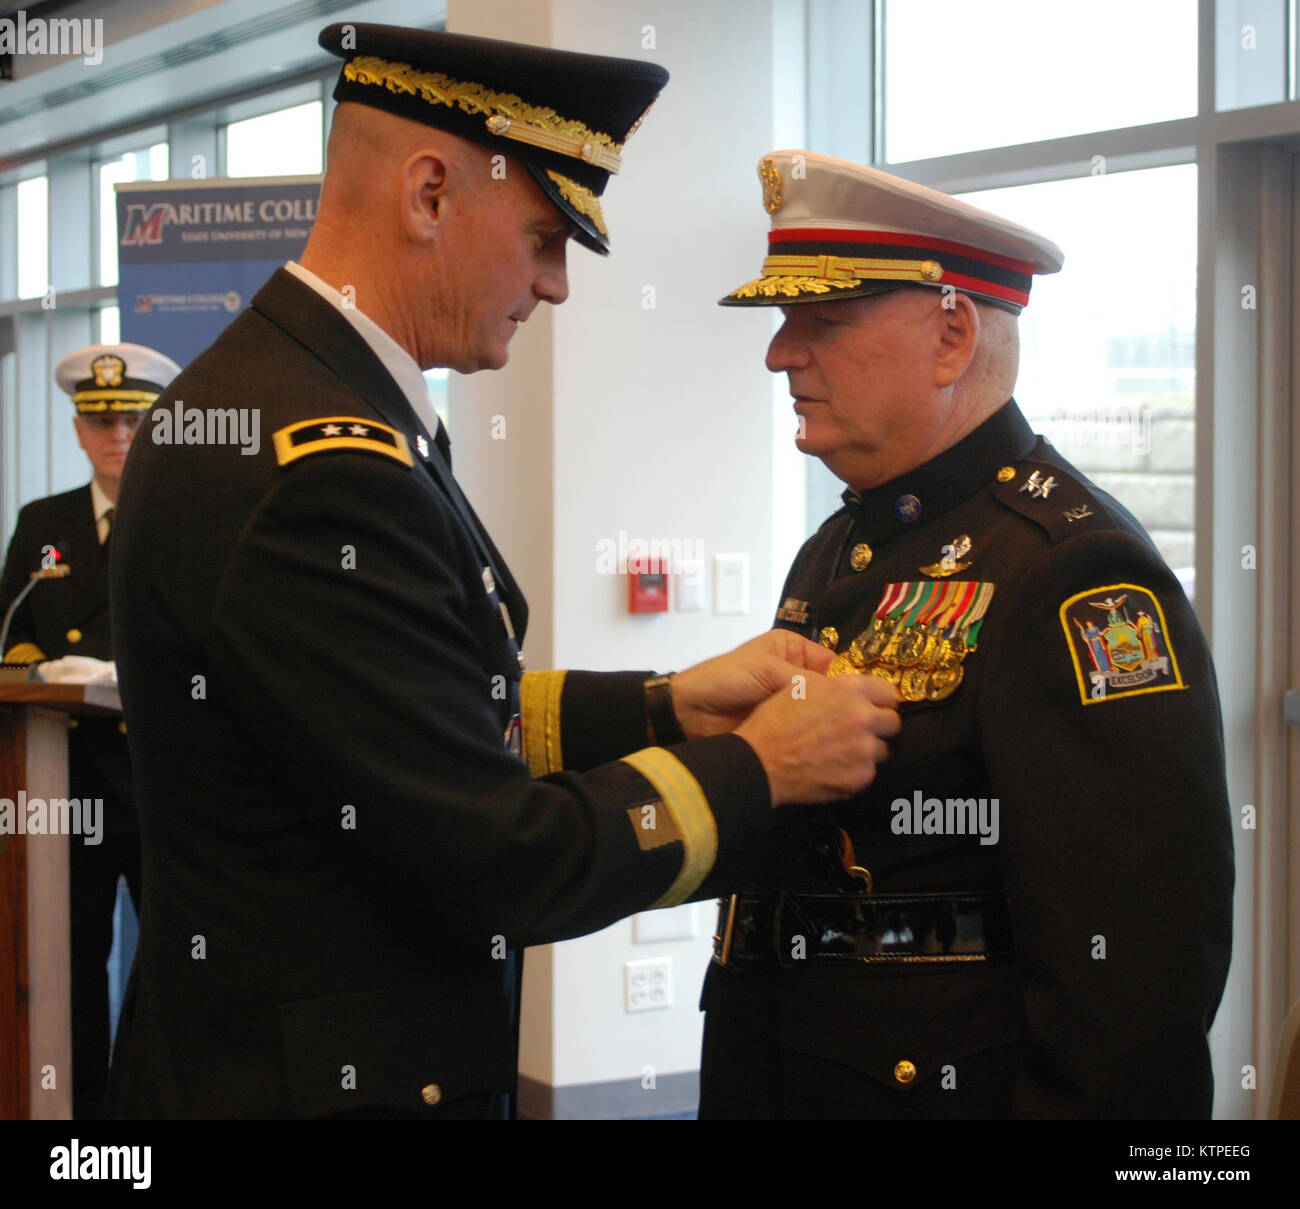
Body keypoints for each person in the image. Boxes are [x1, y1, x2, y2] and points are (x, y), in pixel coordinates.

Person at [103, 30, 899, 1120]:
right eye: (542, 237)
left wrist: (668, 704)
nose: (556, 285)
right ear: (430, 193)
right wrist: (759, 767)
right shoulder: (326, 467)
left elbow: (399, 722)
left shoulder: (278, 398)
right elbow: (496, 859)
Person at [699, 150, 1235, 1119]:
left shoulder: (1071, 570)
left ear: (951, 336)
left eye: (821, 320)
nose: (779, 353)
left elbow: (1131, 992)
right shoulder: (844, 547)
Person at [0, 341, 180, 1118]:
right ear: (77, 430)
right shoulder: (44, 525)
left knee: (174, 967)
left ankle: (157, 1110)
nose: (117, 436)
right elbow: (10, 634)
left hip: (158, 782)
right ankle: (80, 1117)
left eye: (133, 422)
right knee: (70, 966)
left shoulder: (182, 521)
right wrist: (40, 664)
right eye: (101, 420)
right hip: (61, 784)